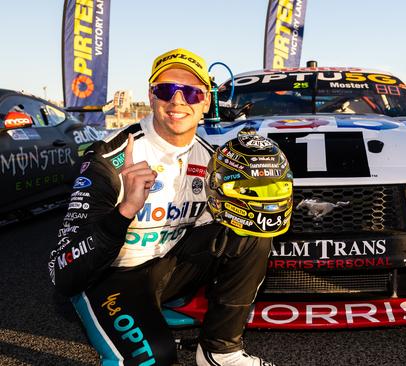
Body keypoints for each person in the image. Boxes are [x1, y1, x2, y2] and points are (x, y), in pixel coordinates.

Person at [48, 48, 291, 366]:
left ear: (205, 102)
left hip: (168, 265)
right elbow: (62, 273)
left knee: (252, 227)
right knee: (157, 357)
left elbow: (223, 234)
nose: (178, 101)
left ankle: (221, 350)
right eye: (166, 90)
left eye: (191, 92)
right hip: (110, 278)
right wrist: (124, 211)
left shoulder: (213, 158)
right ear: (151, 96)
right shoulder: (109, 158)